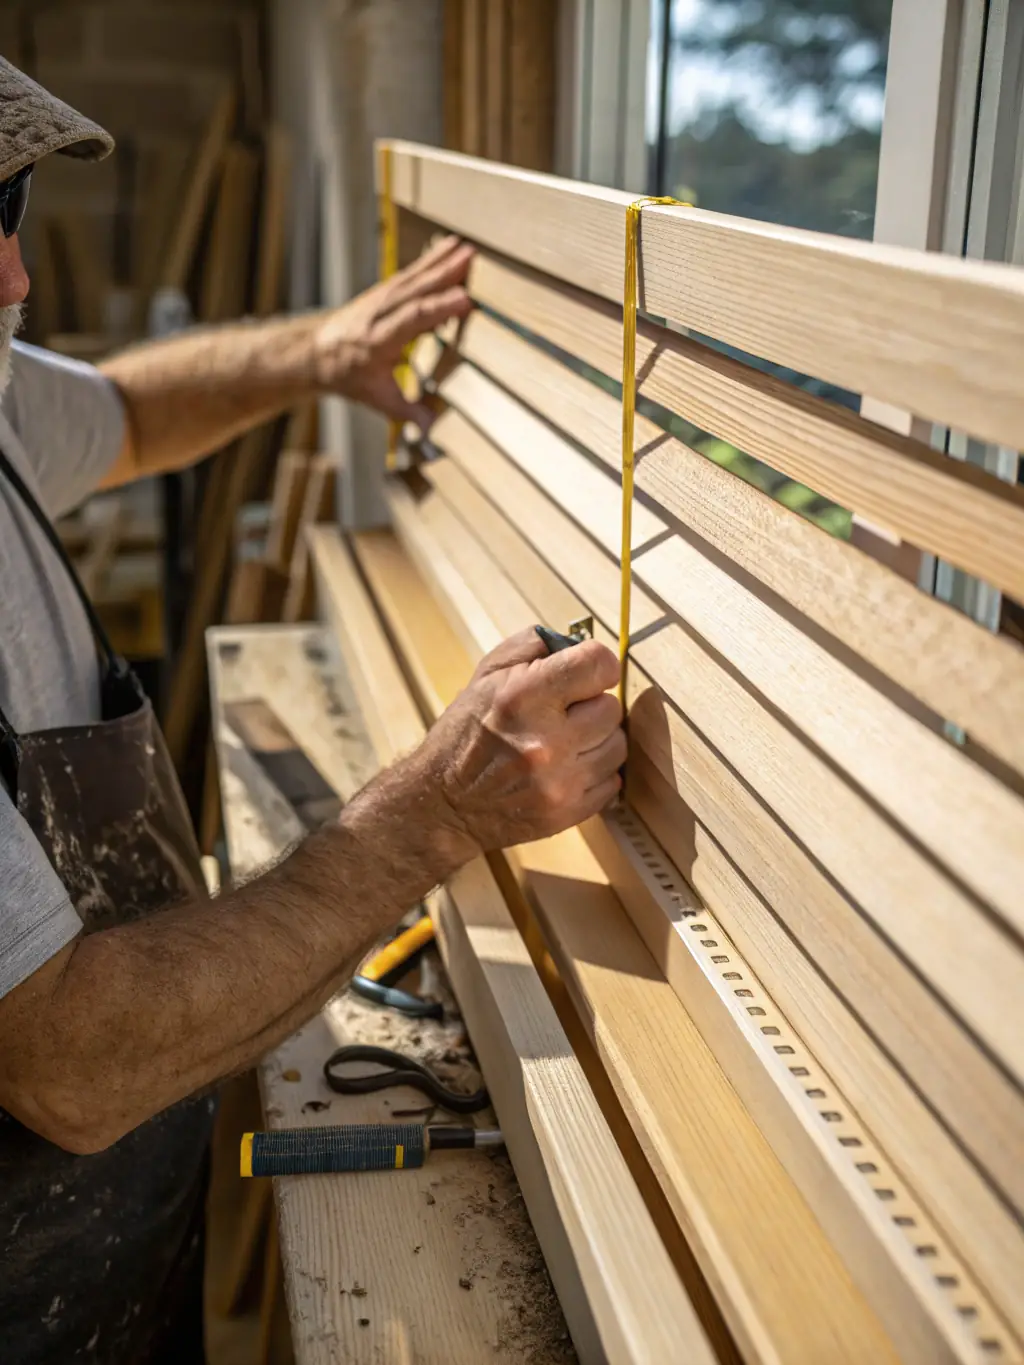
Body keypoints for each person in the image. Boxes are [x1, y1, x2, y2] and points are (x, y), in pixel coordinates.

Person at [0, 59, 626, 1364]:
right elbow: (70, 1062)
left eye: (7, 214)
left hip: (110, 1242)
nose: (14, 284)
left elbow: (124, 417)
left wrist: (318, 350)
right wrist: (428, 818)